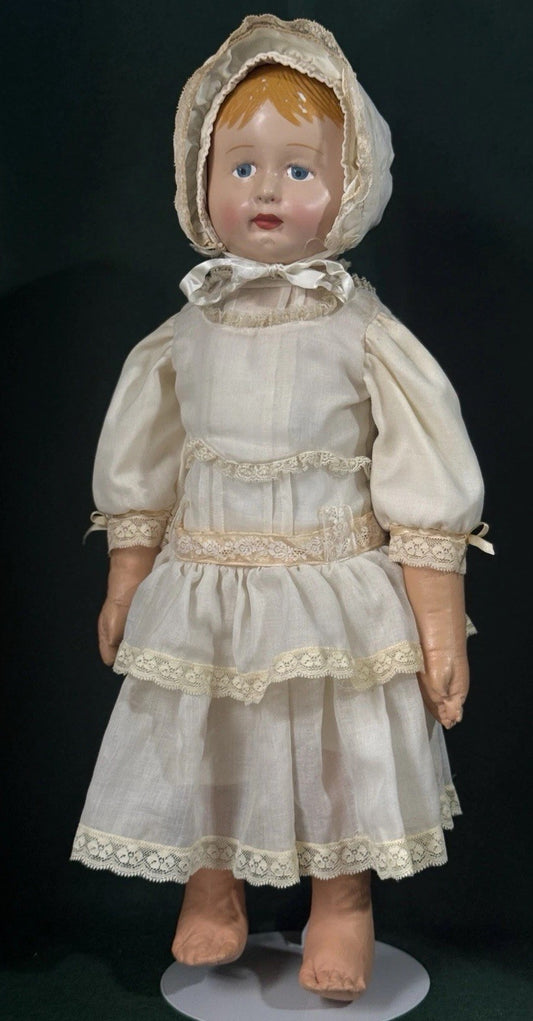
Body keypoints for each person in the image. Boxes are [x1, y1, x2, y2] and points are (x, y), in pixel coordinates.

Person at [71, 14, 492, 1002]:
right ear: (199, 182)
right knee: (208, 739)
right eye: (242, 166)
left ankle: (341, 899)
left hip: (329, 586)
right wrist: (127, 571)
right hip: (207, 584)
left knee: (338, 752)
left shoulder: (361, 329)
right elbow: (142, 459)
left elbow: (422, 467)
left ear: (350, 188)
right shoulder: (184, 332)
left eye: (299, 169)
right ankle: (211, 880)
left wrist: (437, 615)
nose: (266, 189)